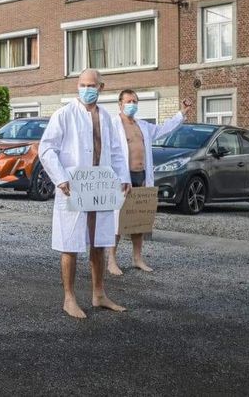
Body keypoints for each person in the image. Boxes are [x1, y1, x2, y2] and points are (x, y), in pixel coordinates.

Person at [38, 69, 131, 319]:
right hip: (74, 186)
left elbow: (116, 151)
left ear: (101, 87)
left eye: (92, 85)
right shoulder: (65, 114)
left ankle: (98, 294)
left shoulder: (107, 118)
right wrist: (60, 178)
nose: (87, 89)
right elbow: (46, 149)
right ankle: (69, 298)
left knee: (99, 241)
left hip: (100, 187)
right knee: (70, 243)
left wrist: (123, 177)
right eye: (82, 84)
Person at [107, 92, 191, 275]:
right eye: (128, 101)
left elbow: (163, 129)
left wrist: (181, 113)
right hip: (122, 178)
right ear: (120, 104)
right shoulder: (112, 125)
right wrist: (119, 177)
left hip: (142, 175)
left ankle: (137, 258)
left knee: (139, 219)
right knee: (117, 221)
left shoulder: (142, 126)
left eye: (135, 101)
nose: (132, 104)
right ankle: (111, 260)